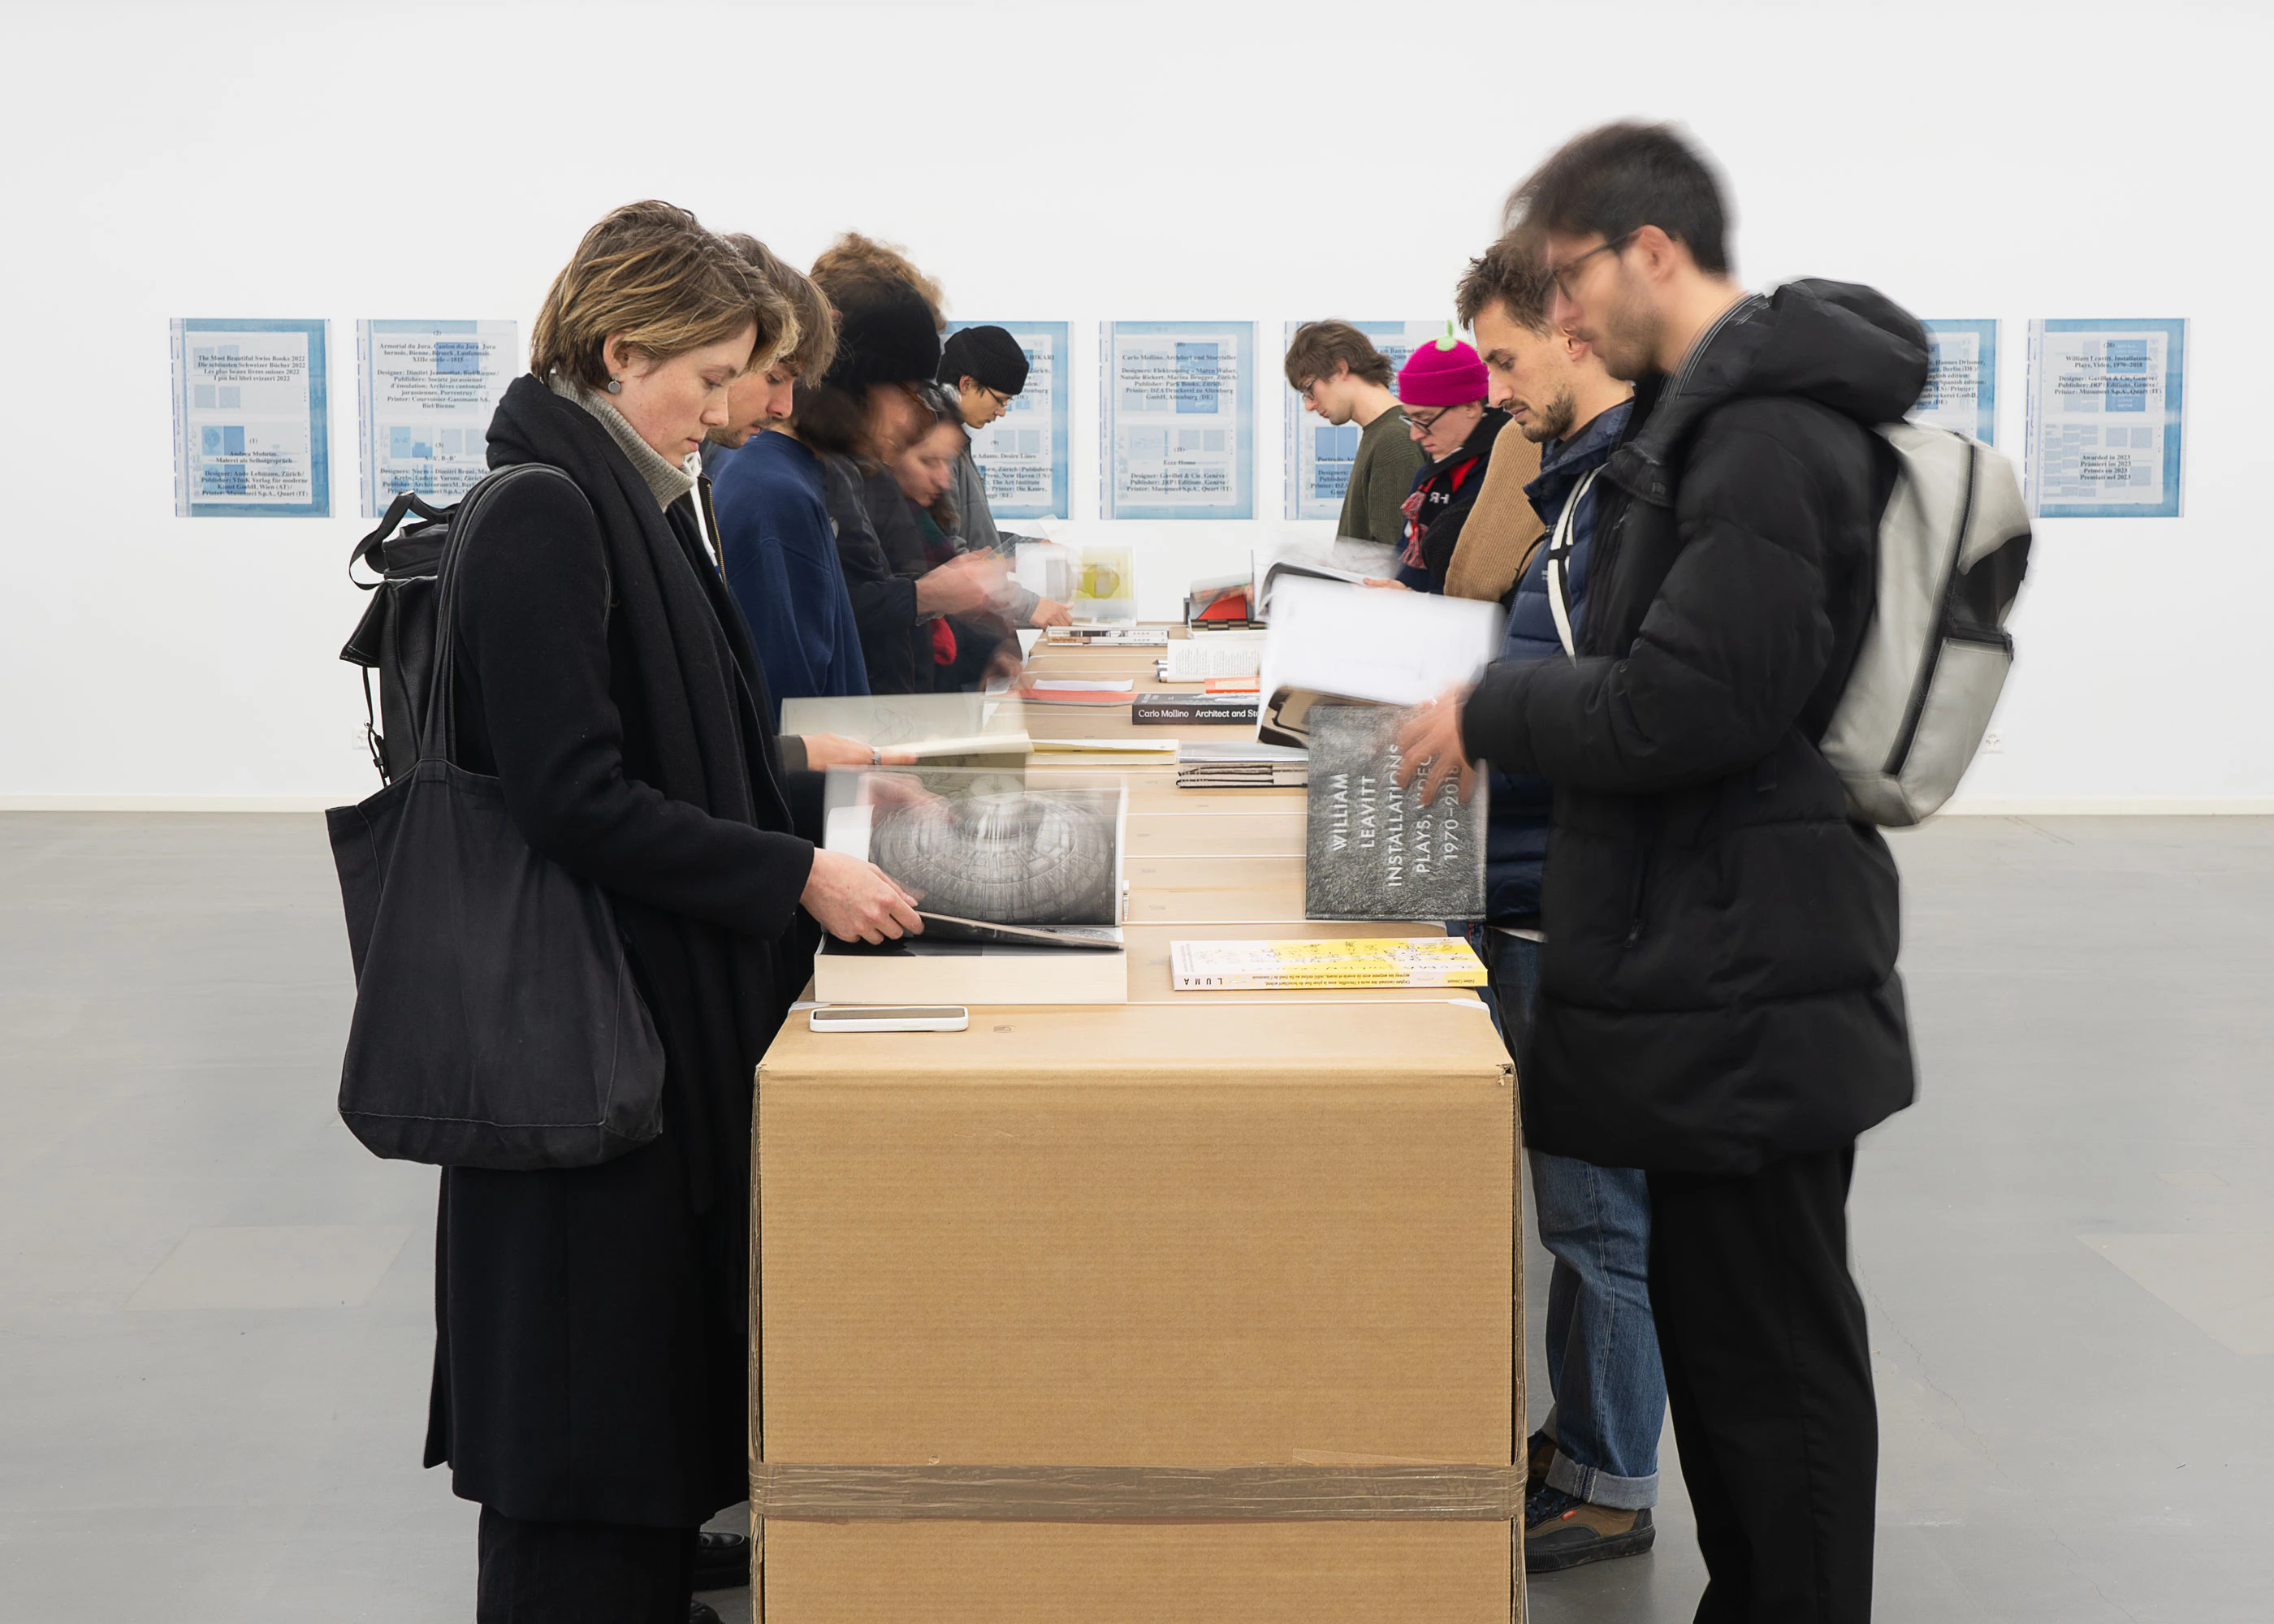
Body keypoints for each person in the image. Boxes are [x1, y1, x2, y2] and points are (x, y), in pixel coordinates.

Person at [1398, 123, 1922, 1624]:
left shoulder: (1765, 437)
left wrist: (1493, 709)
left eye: (1568, 282)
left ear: (1652, 251)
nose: (1559, 319)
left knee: (1776, 1371)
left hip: (1752, 969)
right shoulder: (1713, 427)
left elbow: (1690, 703)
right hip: (1714, 961)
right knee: (1729, 1354)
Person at [427, 201, 922, 1624]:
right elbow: (574, 796)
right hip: (591, 1032)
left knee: (634, 1383)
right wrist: (794, 872)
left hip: (651, 1012)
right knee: (583, 1406)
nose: (726, 410)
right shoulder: (546, 512)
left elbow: (677, 737)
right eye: (708, 378)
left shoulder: (621, 497)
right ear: (619, 349)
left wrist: (809, 780)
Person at [1454, 231, 1661, 1574]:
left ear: (1575, 333)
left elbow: (1616, 719)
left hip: (1572, 909)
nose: (1495, 391)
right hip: (1537, 887)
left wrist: (1474, 718)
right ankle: (1577, 1442)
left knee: (1597, 1219)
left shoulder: (1623, 506)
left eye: (1504, 360)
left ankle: (1610, 1482)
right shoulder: (1580, 496)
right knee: (1577, 1214)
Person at [795, 266, 1004, 693]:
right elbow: (816, 617)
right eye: (910, 393)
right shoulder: (798, 478)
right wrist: (926, 596)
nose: (913, 419)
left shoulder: (847, 472)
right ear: (860, 383)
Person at [703, 236, 875, 712]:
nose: (785, 406)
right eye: (775, 377)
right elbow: (783, 702)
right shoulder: (765, 489)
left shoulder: (728, 471)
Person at [936, 324, 1071, 628]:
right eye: (1000, 399)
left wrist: (1025, 547)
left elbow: (974, 536)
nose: (1002, 412)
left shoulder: (957, 443)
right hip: (954, 631)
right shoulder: (937, 451)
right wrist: (1028, 606)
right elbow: (950, 556)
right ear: (967, 384)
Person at [891, 403, 1019, 689]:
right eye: (928, 461)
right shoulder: (894, 527)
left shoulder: (926, 520)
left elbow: (947, 626)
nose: (944, 479)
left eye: (948, 462)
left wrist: (990, 654)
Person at [1283, 320, 1426, 547]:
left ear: (1340, 369)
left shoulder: (1394, 441)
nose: (1309, 405)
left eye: (1309, 389)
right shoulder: (1384, 432)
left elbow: (1393, 559)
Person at [1390, 338, 1510, 592]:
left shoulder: (1505, 474)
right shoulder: (1428, 475)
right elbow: (1406, 559)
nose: (1415, 435)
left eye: (1424, 419)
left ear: (1470, 406)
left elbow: (1493, 584)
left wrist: (1417, 600)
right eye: (1410, 419)